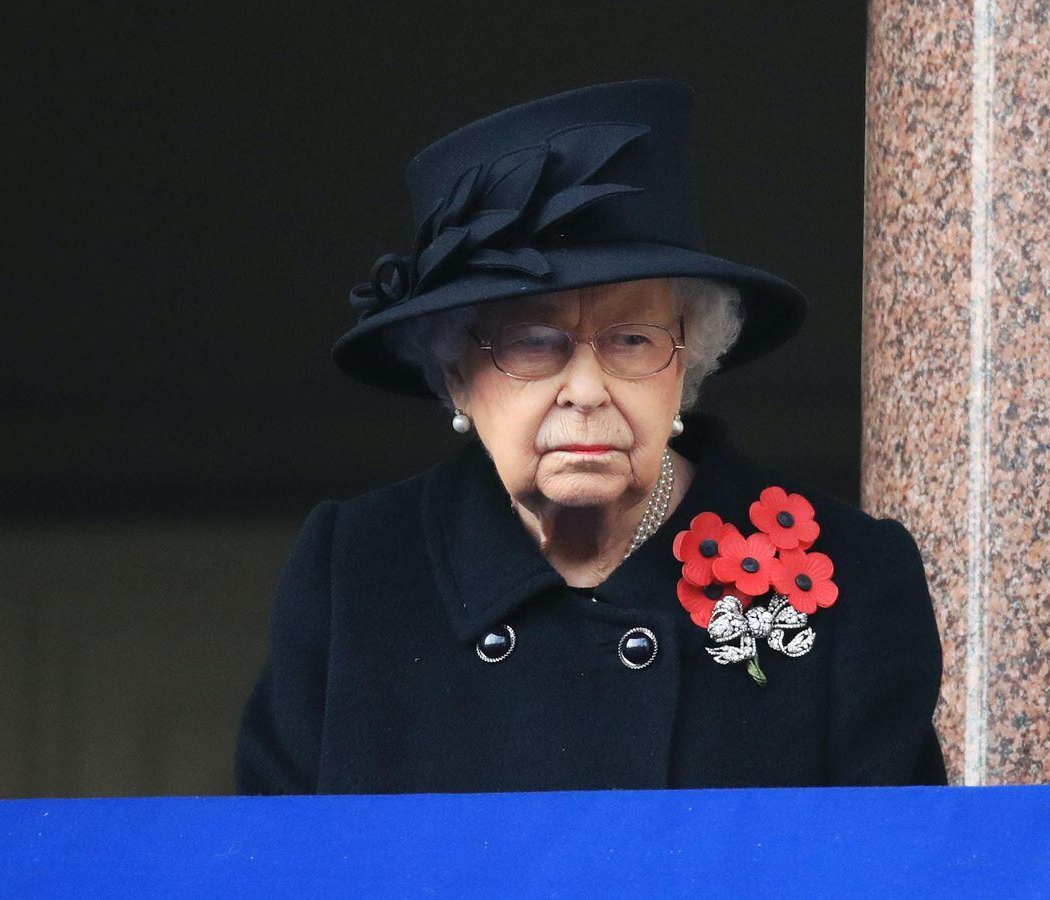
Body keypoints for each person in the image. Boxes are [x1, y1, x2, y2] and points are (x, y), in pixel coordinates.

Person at [233, 78, 946, 793]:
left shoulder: (850, 573)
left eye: (631, 339)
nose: (585, 389)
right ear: (455, 376)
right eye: (533, 343)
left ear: (688, 362)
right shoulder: (356, 575)